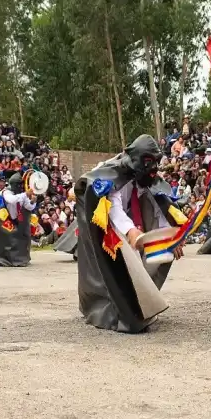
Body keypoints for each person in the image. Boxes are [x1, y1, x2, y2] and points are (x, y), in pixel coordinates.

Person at [75, 134, 187, 333]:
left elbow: (158, 205)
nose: (153, 169)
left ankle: (141, 302)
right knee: (120, 258)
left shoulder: (147, 178)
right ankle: (114, 306)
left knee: (163, 249)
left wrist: (171, 237)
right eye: (147, 163)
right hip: (108, 223)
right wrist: (130, 231)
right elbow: (113, 205)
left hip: (133, 222)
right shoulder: (113, 172)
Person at [0, 172, 37, 267]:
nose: (19, 187)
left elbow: (28, 207)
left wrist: (33, 201)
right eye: (17, 185)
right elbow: (12, 200)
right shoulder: (6, 192)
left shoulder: (22, 194)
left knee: (23, 236)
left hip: (17, 220)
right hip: (4, 219)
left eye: (20, 184)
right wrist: (25, 194)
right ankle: (0, 259)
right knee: (7, 238)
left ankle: (20, 259)